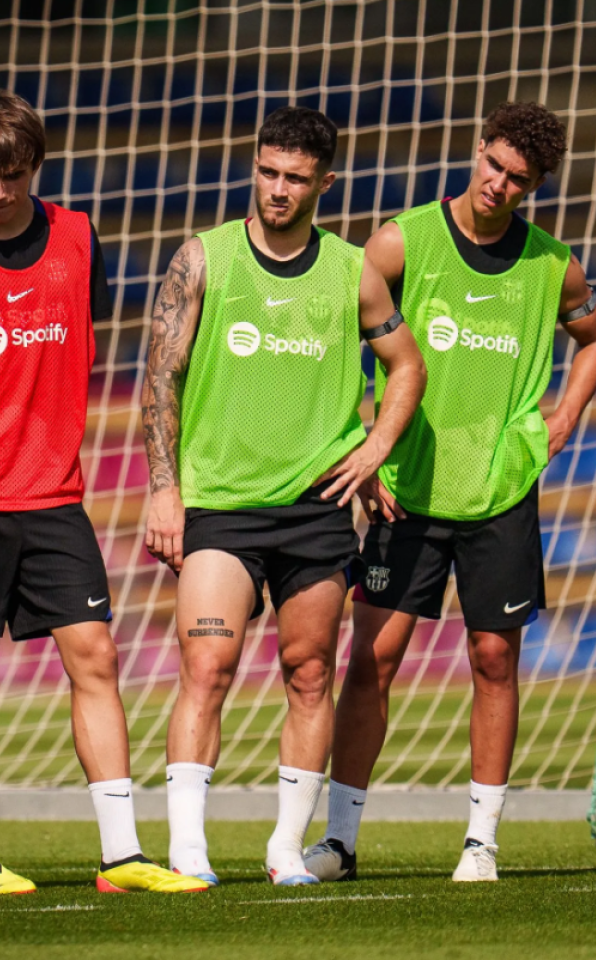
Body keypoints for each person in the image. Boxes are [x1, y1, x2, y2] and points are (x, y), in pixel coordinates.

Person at [0, 90, 202, 896]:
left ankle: (123, 857)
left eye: (11, 175)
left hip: (54, 495)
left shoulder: (78, 235)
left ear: (36, 168)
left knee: (95, 654)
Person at [303, 101, 596, 883]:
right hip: (406, 490)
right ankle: (339, 839)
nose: (498, 185)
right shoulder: (402, 242)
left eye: (518, 179)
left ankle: (481, 843)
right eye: (493, 165)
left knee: (493, 658)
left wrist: (567, 413)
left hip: (500, 490)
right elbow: (342, 348)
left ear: (536, 185)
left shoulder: (553, 265)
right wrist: (364, 451)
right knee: (372, 661)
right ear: (478, 151)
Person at [140, 106, 426, 886]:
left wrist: (376, 448)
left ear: (323, 183)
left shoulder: (353, 271)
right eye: (268, 172)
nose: (277, 189)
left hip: (315, 510)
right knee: (207, 666)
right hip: (221, 506)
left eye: (295, 178)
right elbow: (161, 373)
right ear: (254, 166)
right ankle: (189, 852)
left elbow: (408, 365)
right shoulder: (203, 259)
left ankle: (283, 851)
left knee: (310, 672)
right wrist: (164, 490)